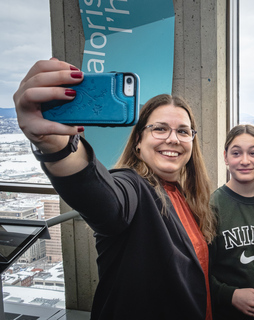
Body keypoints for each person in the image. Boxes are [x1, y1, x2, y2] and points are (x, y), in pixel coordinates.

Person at [13, 58, 216, 320]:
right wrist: (58, 147)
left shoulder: (187, 196)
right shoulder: (133, 187)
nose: (173, 139)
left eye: (183, 131)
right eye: (160, 129)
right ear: (138, 142)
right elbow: (106, 202)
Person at [209, 124, 254, 320]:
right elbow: (199, 270)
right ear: (225, 157)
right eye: (236, 153)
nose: (245, 161)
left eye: (253, 153)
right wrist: (230, 295)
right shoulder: (212, 206)